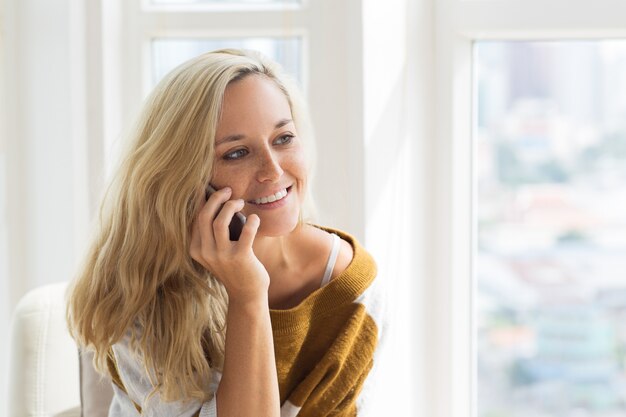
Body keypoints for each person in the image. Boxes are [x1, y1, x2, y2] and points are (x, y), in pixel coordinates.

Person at [67, 49, 385, 417]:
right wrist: (248, 295)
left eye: (283, 138)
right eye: (236, 153)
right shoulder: (141, 290)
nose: (272, 170)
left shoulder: (351, 288)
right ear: (184, 179)